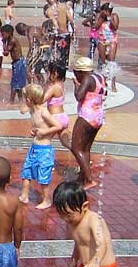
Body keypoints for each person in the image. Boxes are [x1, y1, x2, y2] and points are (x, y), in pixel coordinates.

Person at [20, 85, 62, 209]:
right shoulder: (33, 110)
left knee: (43, 176)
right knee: (26, 171)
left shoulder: (44, 112)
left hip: (45, 151)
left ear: (29, 100)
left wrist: (44, 132)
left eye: (24, 99)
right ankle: (24, 195)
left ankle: (46, 200)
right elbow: (24, 112)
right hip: (34, 148)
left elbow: (58, 126)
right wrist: (34, 131)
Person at [69, 57, 105, 190]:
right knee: (85, 148)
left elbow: (79, 96)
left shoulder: (87, 79)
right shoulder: (99, 77)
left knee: (76, 147)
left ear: (81, 71)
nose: (75, 74)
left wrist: (76, 85)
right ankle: (83, 176)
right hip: (98, 116)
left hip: (87, 116)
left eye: (76, 72)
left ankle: (89, 180)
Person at [43, 64, 72, 150]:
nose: (48, 76)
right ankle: (79, 153)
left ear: (55, 74)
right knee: (65, 142)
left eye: (49, 73)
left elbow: (42, 99)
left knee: (42, 140)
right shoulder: (61, 85)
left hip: (55, 119)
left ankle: (40, 160)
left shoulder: (54, 88)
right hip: (63, 117)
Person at [6, 24, 27, 111]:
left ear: (9, 33)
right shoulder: (10, 39)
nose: (3, 36)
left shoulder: (12, 40)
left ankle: (11, 102)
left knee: (15, 83)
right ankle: (21, 101)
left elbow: (6, 51)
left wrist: (3, 42)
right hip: (18, 63)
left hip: (19, 63)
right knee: (19, 83)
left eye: (3, 34)